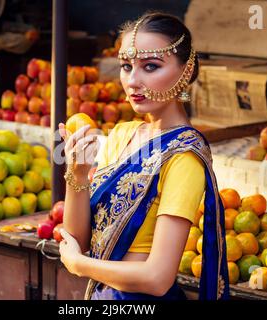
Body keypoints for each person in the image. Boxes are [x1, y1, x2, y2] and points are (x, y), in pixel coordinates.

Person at [58, 12, 229, 300]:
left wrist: (80, 265)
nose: (133, 81)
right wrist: (76, 173)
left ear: (186, 71)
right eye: (126, 66)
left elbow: (157, 278)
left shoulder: (183, 156)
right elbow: (80, 239)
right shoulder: (121, 135)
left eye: (150, 66)